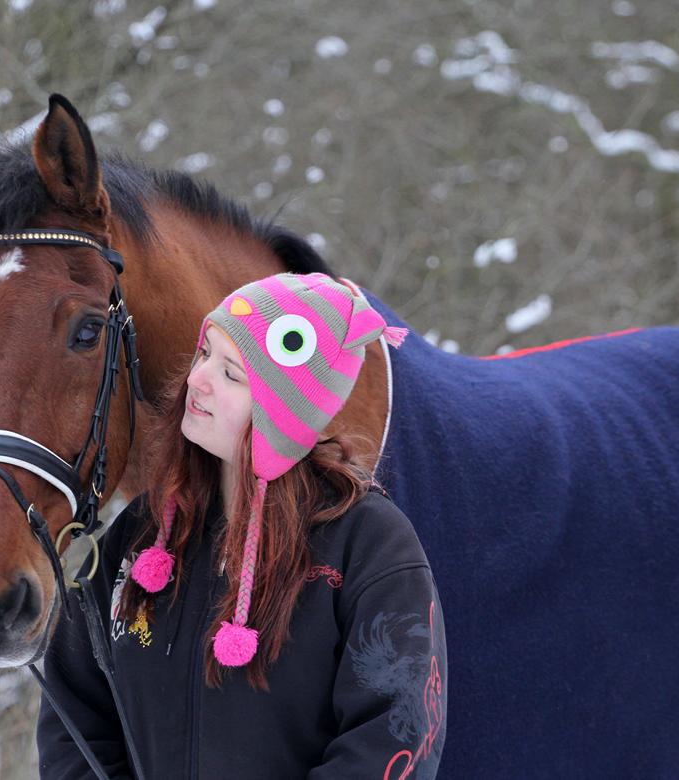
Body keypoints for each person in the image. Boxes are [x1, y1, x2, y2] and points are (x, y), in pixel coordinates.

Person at [37, 272, 447, 779]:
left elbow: (394, 738)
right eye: (205, 353)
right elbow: (73, 710)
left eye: (231, 374)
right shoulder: (142, 534)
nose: (197, 379)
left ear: (283, 414)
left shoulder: (368, 546)